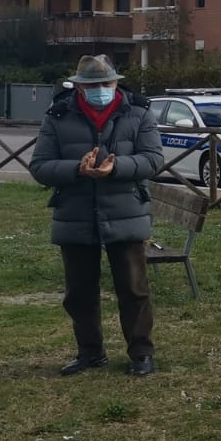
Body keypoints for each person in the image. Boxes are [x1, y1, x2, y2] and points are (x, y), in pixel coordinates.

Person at [30, 55, 164, 377]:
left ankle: (141, 353)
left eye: (106, 83)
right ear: (79, 87)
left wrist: (116, 167)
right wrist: (76, 170)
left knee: (134, 289)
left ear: (117, 82)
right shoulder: (58, 115)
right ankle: (90, 352)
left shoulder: (139, 112)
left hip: (126, 212)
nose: (100, 89)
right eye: (92, 85)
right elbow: (39, 166)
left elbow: (153, 160)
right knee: (79, 292)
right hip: (75, 215)